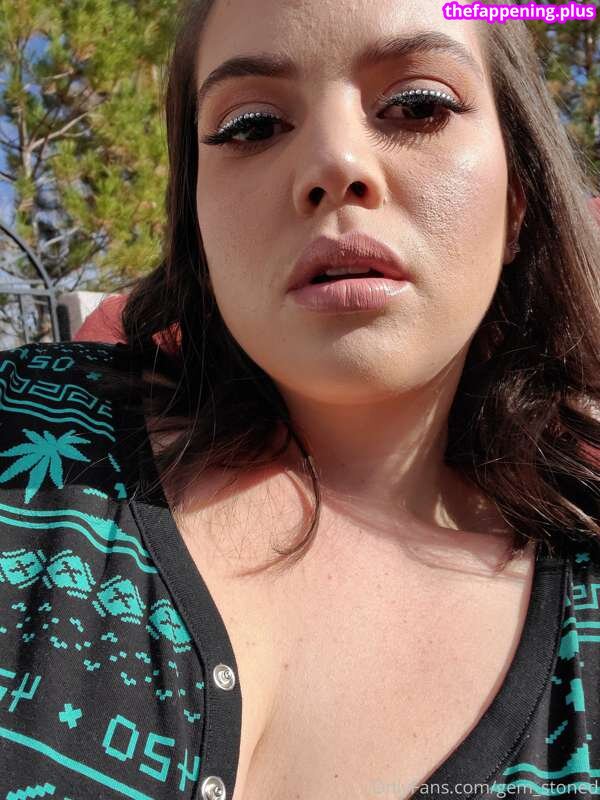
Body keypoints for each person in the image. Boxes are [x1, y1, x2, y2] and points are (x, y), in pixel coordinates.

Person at [1, 0, 599, 798]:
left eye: (418, 106)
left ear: (518, 199)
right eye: (251, 125)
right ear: (197, 216)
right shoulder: (26, 431)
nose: (334, 163)